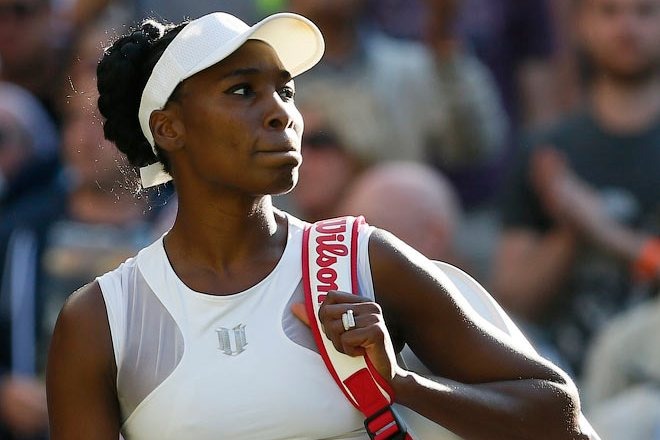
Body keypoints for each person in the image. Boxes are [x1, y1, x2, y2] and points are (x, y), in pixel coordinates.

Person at [46, 11, 594, 439]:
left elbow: (561, 419)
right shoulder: (99, 319)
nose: (282, 113)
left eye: (285, 90)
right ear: (169, 128)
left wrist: (400, 385)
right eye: (242, 91)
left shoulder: (363, 261)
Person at [492, 0, 660, 377]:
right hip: (558, 369)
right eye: (609, 12)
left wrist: (601, 229)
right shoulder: (546, 150)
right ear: (581, 25)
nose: (627, 28)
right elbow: (511, 301)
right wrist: (569, 230)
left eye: (645, 12)